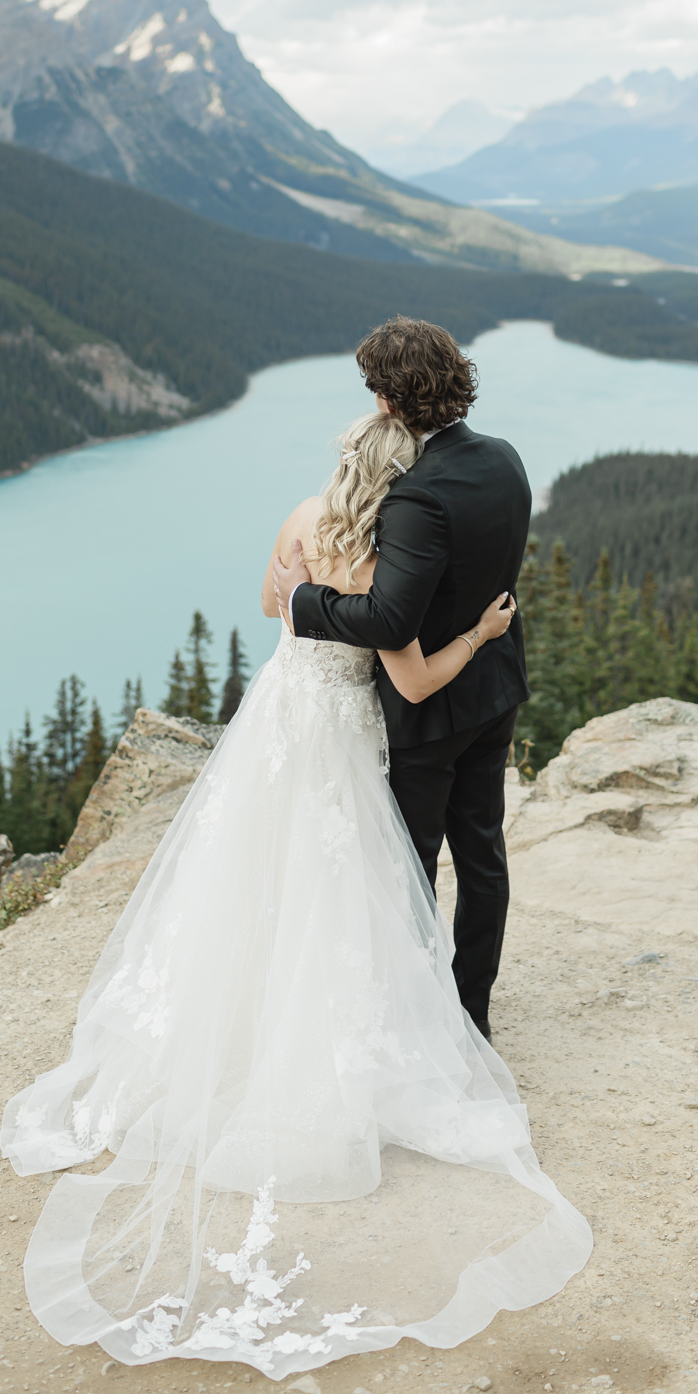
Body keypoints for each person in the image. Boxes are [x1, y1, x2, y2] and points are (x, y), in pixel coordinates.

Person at [1, 373, 591, 1382]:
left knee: (253, 882)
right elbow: (412, 678)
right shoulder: (380, 557)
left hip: (276, 723)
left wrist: (302, 597)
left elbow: (270, 600)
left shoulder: (302, 519)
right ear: (395, 485)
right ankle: (383, 1039)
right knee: (349, 892)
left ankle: (225, 1031)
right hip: (348, 741)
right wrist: (482, 635)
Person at [275, 315, 531, 1043]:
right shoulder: (503, 458)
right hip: (496, 687)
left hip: (430, 711)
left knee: (409, 867)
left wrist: (303, 602)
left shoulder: (417, 494)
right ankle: (471, 1012)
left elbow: (389, 621)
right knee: (482, 852)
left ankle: (416, 1027)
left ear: (387, 400)